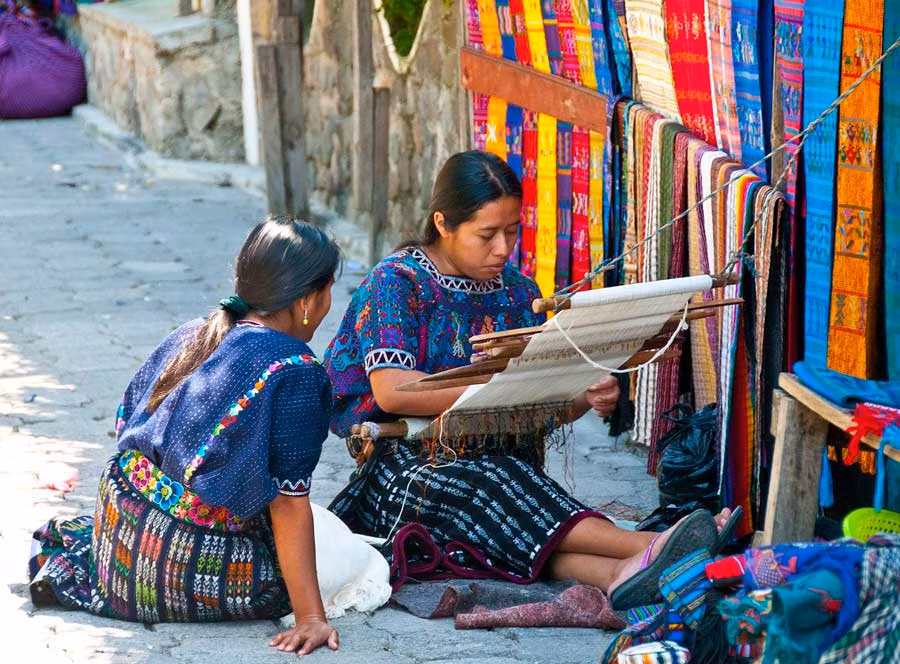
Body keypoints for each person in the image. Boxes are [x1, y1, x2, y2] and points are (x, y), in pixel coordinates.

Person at [325, 151, 734, 607]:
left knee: (510, 502)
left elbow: (543, 405)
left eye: (512, 231)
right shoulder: (397, 284)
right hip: (407, 470)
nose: (503, 248)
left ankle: (621, 572)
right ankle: (654, 547)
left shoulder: (520, 294)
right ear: (442, 223)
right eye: (487, 234)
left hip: (506, 467)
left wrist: (585, 392)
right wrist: (495, 391)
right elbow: (393, 389)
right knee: (491, 488)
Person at [29, 218, 343, 655]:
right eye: (329, 292)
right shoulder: (297, 371)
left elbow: (128, 423)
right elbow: (288, 504)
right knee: (343, 557)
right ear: (308, 299)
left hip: (118, 536)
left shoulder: (196, 332)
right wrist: (310, 617)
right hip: (179, 562)